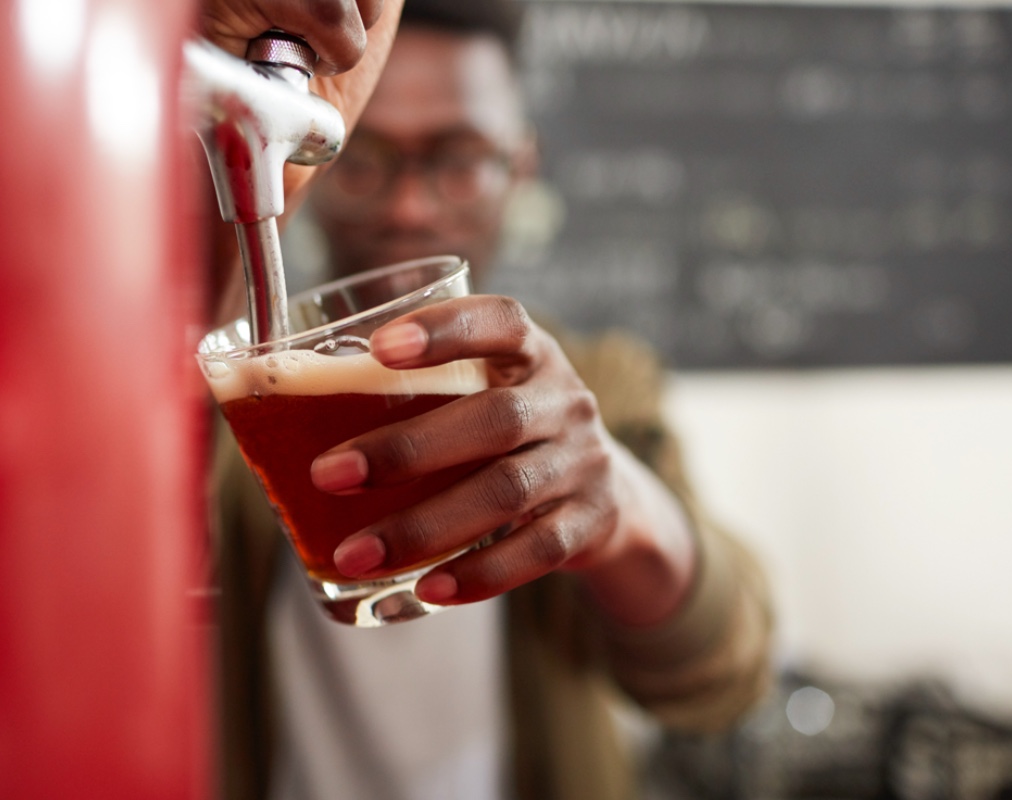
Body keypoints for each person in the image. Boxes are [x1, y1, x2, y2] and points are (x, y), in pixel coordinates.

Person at [211, 2, 775, 799]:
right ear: (311, 154)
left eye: (460, 159)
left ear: (521, 167)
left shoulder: (601, 380)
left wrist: (616, 504)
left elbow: (723, 675)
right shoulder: (246, 394)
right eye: (364, 155)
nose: (409, 207)